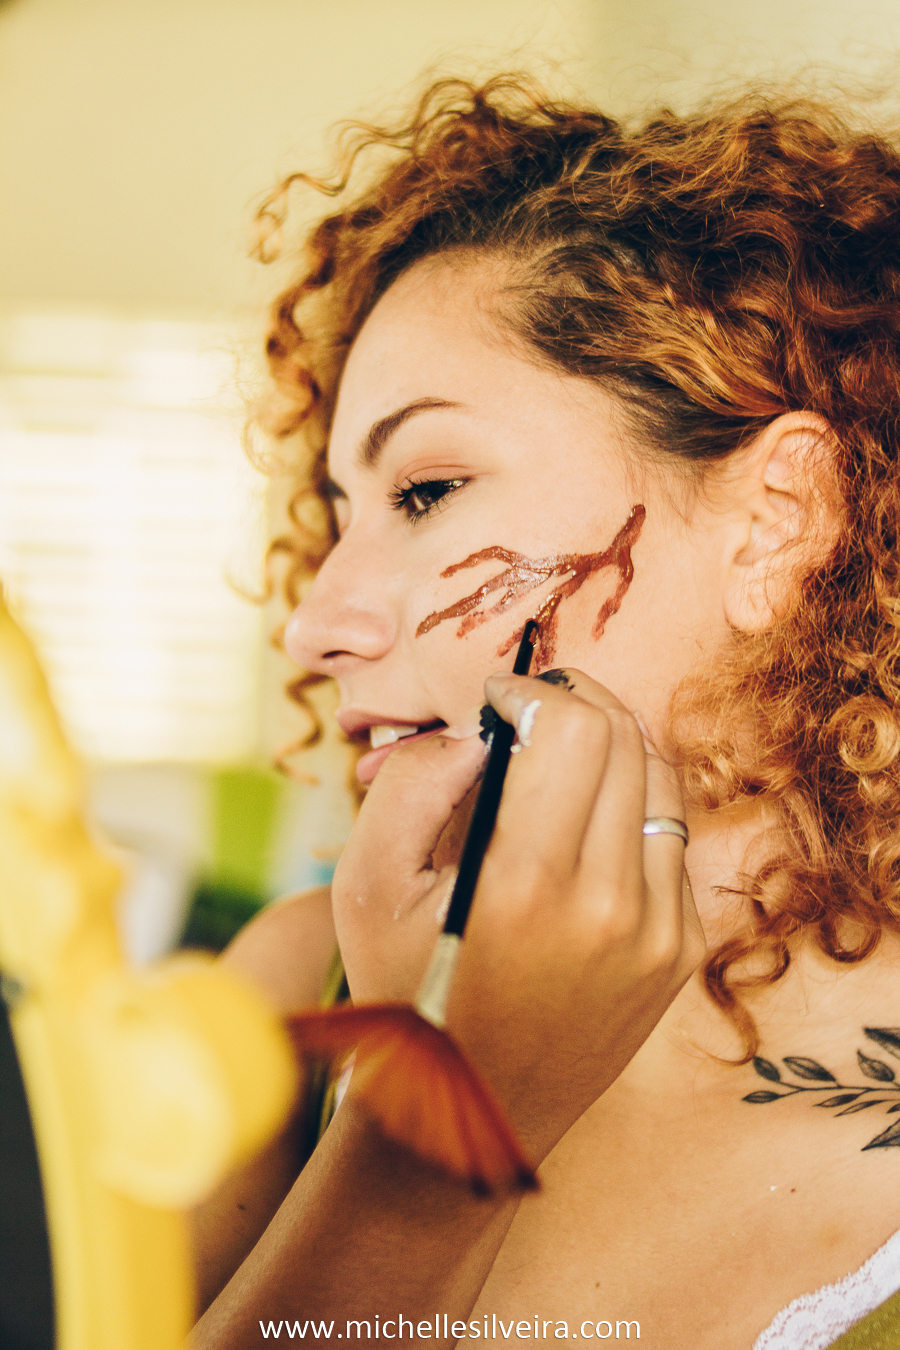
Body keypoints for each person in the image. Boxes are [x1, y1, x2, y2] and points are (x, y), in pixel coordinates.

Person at [190, 75, 900, 1349]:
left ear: (775, 523)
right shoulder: (286, 1000)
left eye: (426, 488)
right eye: (340, 512)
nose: (315, 625)